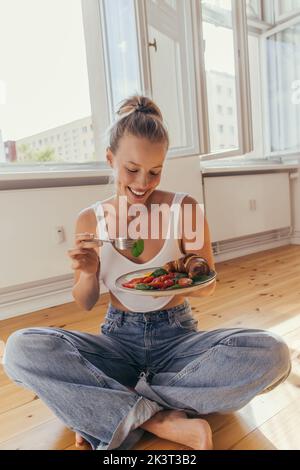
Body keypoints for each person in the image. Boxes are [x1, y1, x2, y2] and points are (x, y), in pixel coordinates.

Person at [3, 95, 291, 451]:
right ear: (110, 160)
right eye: (132, 169)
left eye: (155, 171)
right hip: (116, 343)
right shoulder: (90, 218)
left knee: (273, 354)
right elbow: (85, 301)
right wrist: (89, 273)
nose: (143, 182)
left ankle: (106, 410)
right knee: (19, 350)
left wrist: (181, 280)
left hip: (178, 340)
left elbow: (208, 286)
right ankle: (158, 419)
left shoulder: (183, 209)